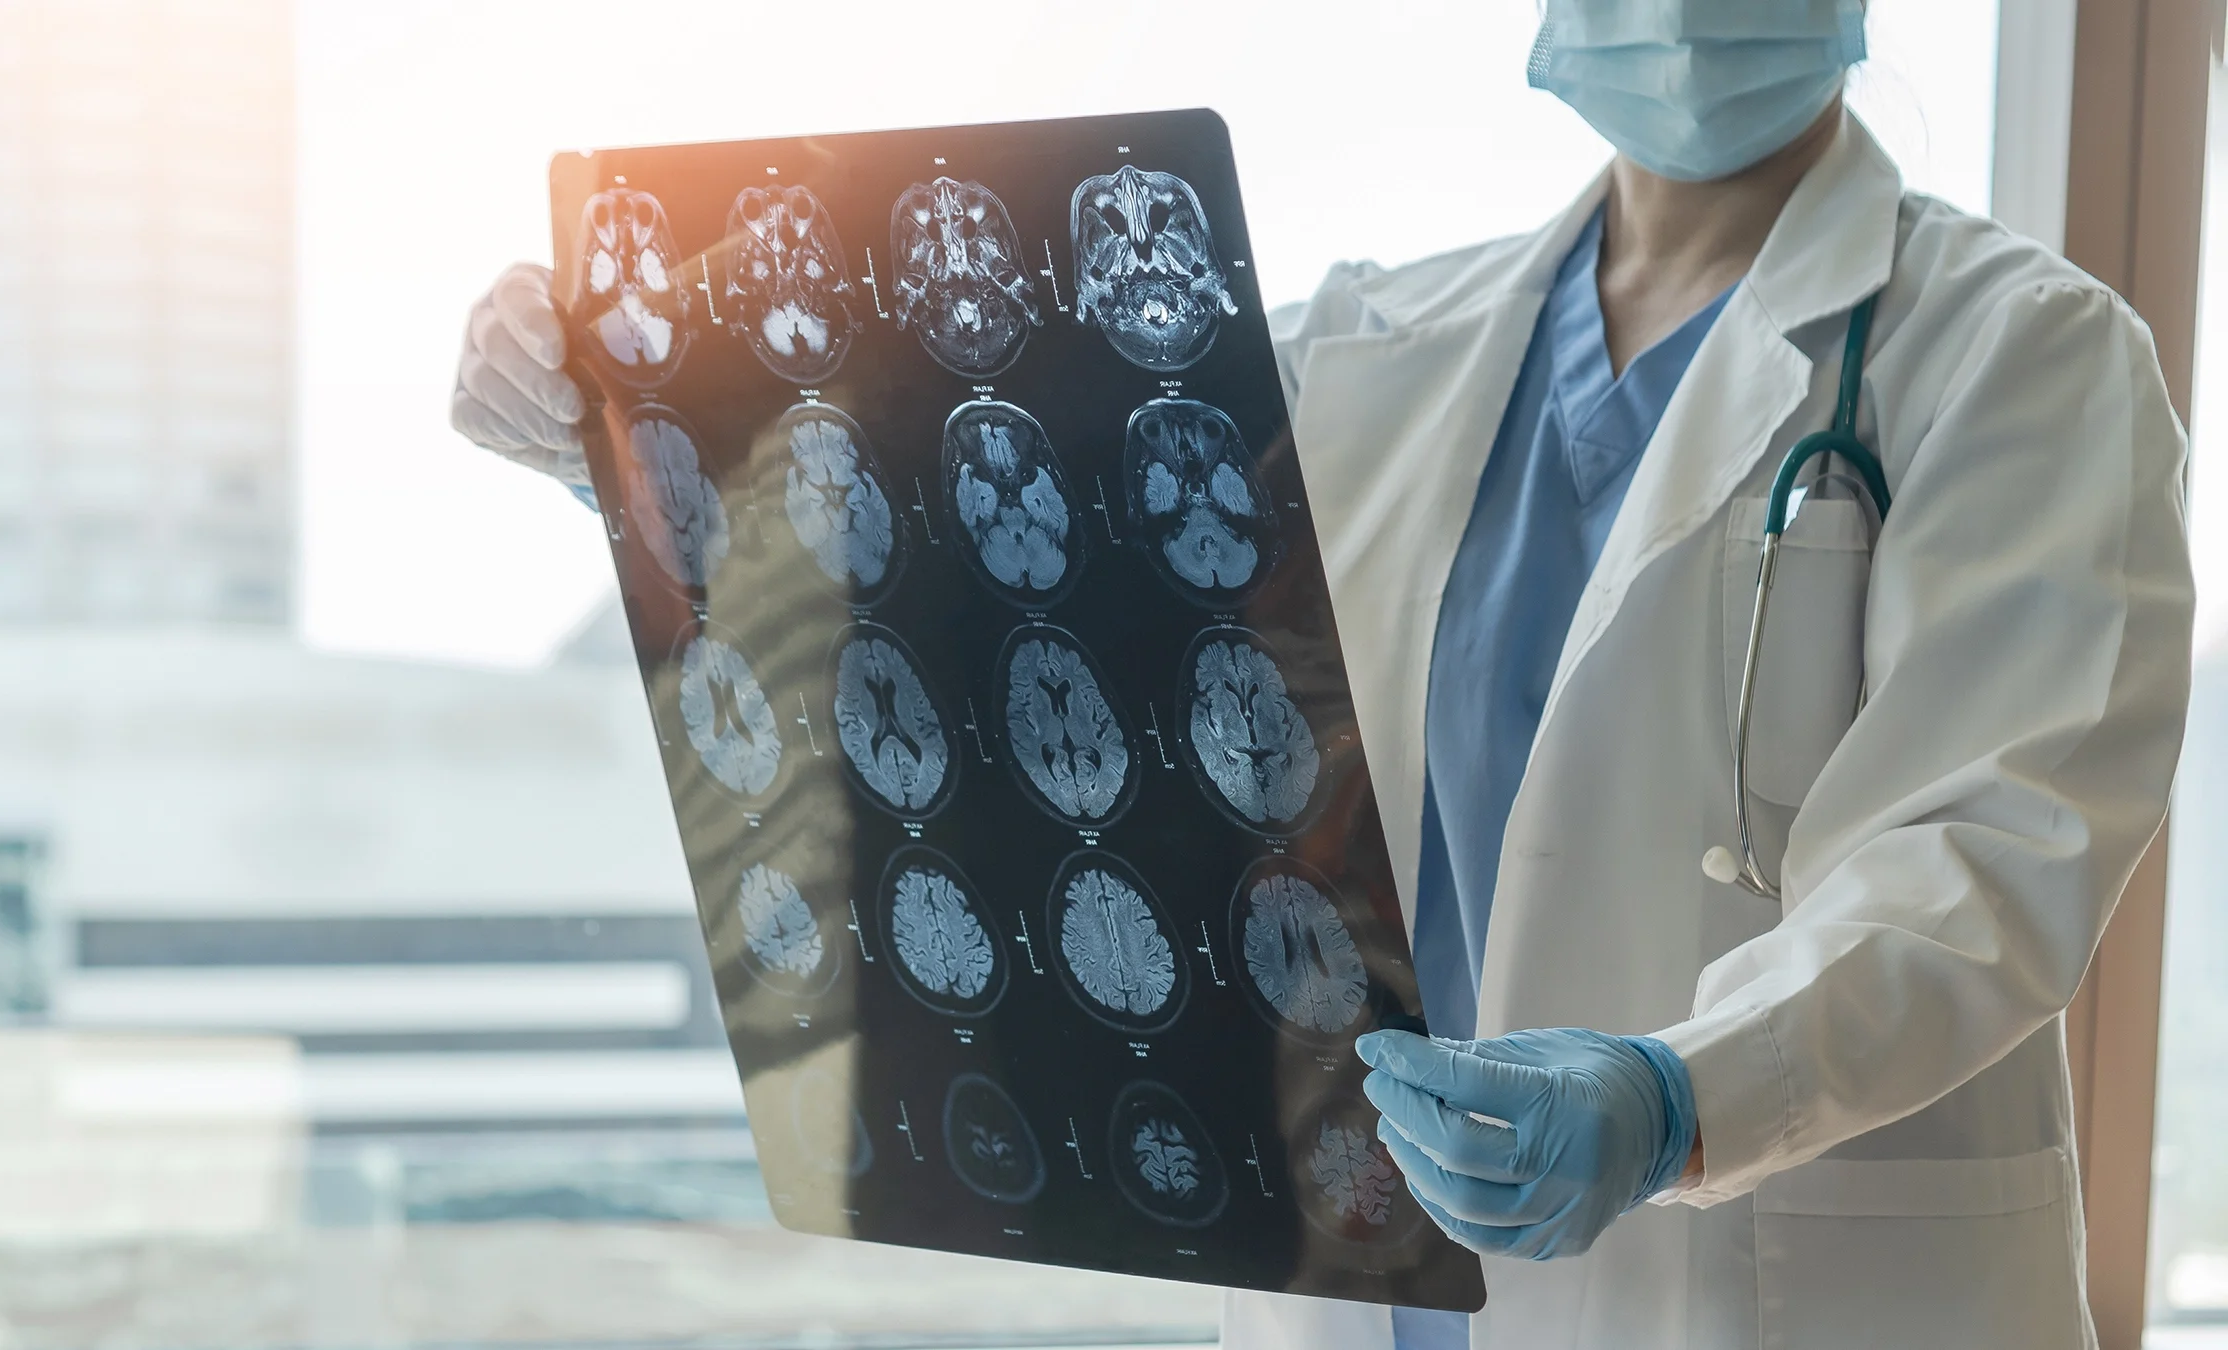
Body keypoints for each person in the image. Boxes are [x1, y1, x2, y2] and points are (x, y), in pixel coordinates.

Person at [448, 1, 2194, 1345]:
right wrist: (616, 415)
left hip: (1780, 1277)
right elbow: (951, 544)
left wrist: (1676, 1098)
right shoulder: (1372, 351)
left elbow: (1983, 854)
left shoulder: (2020, 356)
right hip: (1366, 1272)